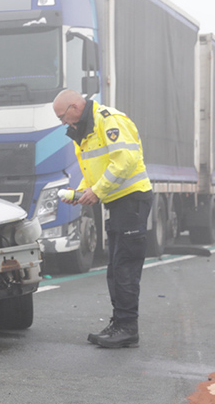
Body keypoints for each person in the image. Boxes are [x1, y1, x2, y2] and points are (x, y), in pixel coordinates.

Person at [52, 89, 153, 348]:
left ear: (75, 106)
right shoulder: (84, 131)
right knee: (115, 269)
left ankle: (128, 328)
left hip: (132, 199)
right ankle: (119, 323)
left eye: (63, 116)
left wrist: (96, 192)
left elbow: (125, 161)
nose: (63, 122)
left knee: (125, 268)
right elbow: (93, 172)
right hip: (117, 202)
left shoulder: (108, 120)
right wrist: (80, 193)